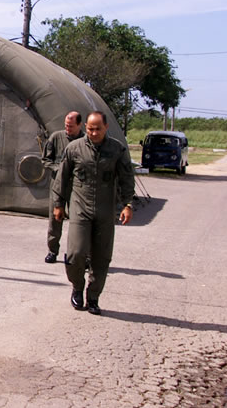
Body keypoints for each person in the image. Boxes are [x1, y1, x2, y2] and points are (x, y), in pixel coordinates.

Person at [52, 111, 135, 315]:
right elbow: (62, 178)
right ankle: (77, 287)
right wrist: (58, 204)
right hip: (80, 207)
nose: (94, 133)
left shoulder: (117, 149)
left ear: (106, 127)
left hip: (105, 209)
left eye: (98, 129)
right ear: (85, 128)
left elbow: (126, 178)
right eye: (90, 129)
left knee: (102, 256)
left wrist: (128, 204)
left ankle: (93, 297)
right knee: (76, 252)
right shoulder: (74, 148)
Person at [41, 111, 83, 263]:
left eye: (71, 126)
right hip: (58, 186)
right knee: (55, 220)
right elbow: (45, 160)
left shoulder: (85, 141)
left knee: (78, 222)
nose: (67, 129)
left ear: (79, 125)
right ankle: (52, 251)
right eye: (66, 125)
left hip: (77, 188)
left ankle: (76, 254)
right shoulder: (56, 138)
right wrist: (58, 169)